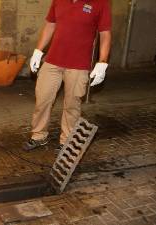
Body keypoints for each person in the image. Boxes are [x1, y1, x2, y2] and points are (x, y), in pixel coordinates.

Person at [24, 0, 112, 151]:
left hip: (79, 64)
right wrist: (38, 50)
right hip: (52, 61)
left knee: (72, 104)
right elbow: (50, 24)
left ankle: (67, 139)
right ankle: (39, 135)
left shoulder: (101, 3)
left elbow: (105, 34)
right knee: (42, 99)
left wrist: (102, 61)